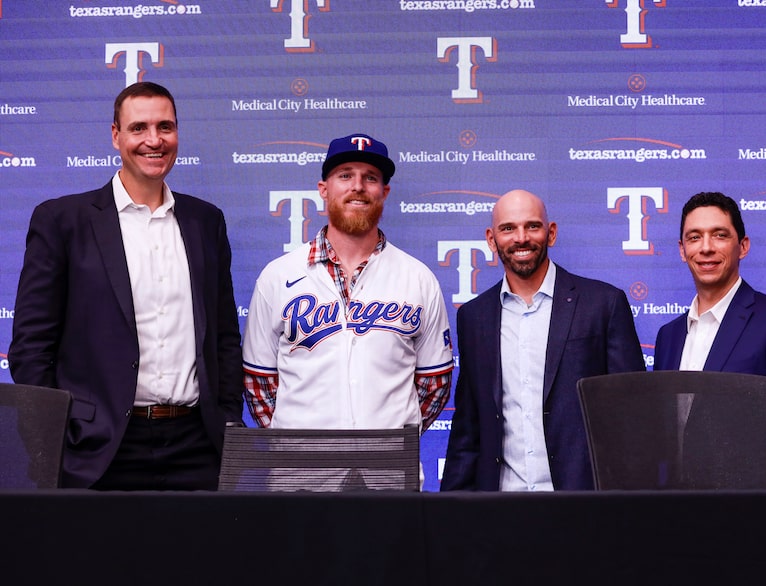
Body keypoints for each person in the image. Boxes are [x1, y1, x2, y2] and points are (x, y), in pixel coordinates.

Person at [8, 82, 244, 490]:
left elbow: (223, 336)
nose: (154, 140)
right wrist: (56, 436)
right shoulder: (63, 221)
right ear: (116, 135)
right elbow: (31, 346)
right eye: (139, 128)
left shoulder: (206, 221)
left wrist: (224, 418)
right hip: (98, 451)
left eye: (165, 127)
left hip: (197, 447)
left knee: (199, 556)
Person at [242, 133, 454, 434]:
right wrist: (291, 443)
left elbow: (434, 383)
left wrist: (395, 437)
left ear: (385, 192)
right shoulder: (277, 276)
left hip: (388, 470)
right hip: (304, 470)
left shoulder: (418, 278)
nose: (358, 186)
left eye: (370, 178)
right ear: (324, 189)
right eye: (345, 175)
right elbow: (258, 382)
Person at [441, 189, 645, 491]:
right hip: (500, 510)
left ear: (551, 233)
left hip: (583, 509)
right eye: (508, 228)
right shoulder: (473, 317)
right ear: (490, 239)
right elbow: (468, 426)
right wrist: (450, 511)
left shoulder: (603, 304)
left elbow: (632, 416)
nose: (521, 238)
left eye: (532, 226)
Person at [654, 191, 766, 489]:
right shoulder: (668, 337)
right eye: (694, 238)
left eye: (719, 235)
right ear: (682, 250)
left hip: (757, 522)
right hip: (677, 518)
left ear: (743, 246)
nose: (706, 248)